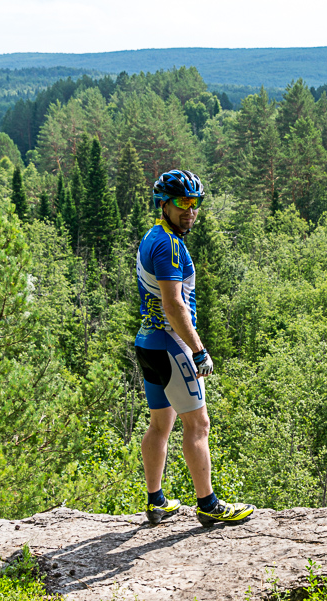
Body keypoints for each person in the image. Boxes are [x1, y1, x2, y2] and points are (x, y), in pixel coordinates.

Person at [134, 168, 255, 527]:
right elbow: (174, 305)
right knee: (198, 424)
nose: (190, 211)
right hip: (172, 346)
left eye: (195, 203)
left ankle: (156, 501)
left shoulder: (153, 237)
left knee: (160, 424)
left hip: (148, 343)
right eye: (183, 203)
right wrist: (198, 350)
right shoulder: (170, 246)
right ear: (164, 204)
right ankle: (208, 505)